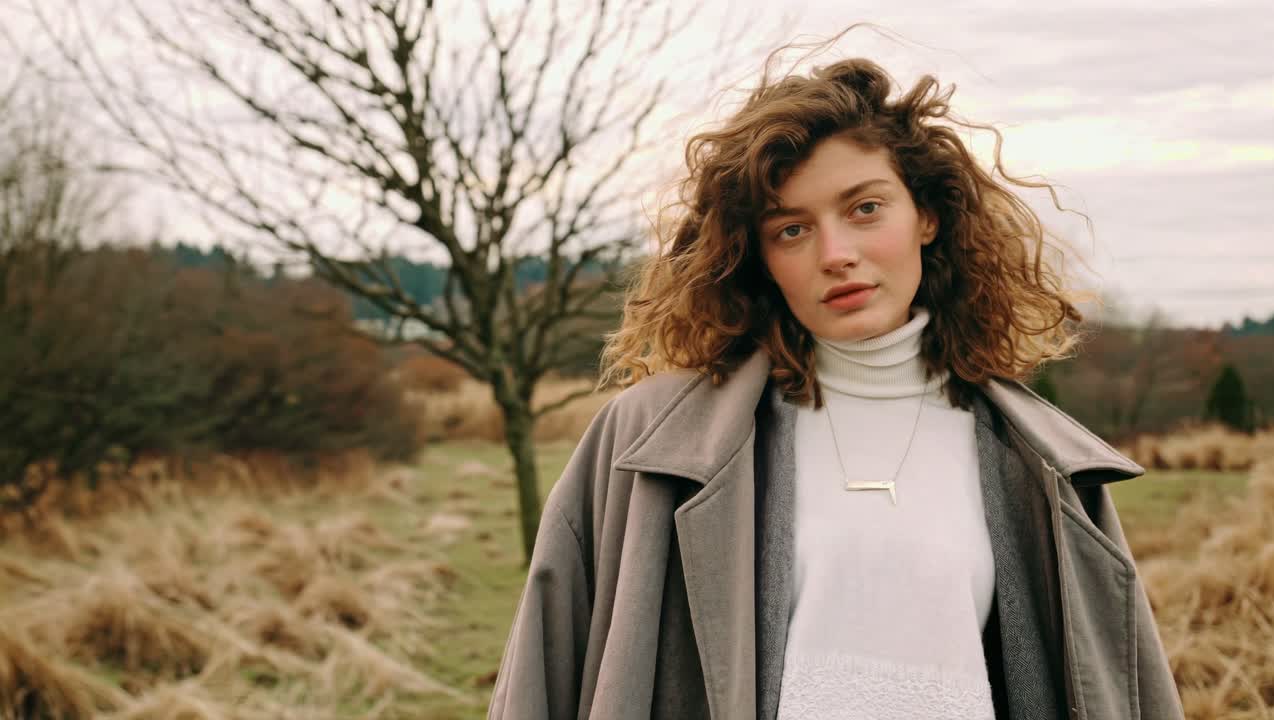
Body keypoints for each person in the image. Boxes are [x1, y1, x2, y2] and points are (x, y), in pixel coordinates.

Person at [487, 41, 1184, 720]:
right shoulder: (647, 443)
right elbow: (540, 680)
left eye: (865, 208)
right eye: (791, 229)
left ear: (929, 216)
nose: (836, 254)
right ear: (757, 257)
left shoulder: (1045, 466)